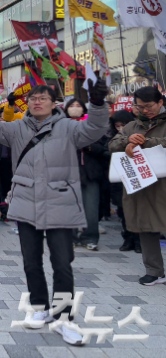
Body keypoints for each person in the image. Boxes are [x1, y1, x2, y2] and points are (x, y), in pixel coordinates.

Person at [0, 80, 109, 346]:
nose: (37, 101)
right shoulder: (16, 129)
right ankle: (39, 307)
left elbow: (94, 129)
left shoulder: (69, 127)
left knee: (62, 263)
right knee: (31, 261)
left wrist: (97, 104)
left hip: (61, 202)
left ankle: (64, 318)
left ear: (54, 102)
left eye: (43, 98)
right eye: (33, 98)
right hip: (26, 201)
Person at [109, 86, 166, 285]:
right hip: (141, 184)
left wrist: (145, 142)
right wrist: (127, 140)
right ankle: (154, 270)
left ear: (160, 102)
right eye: (140, 107)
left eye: (148, 106)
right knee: (145, 226)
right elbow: (113, 144)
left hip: (163, 184)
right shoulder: (132, 125)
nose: (144, 110)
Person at [64, 98, 105, 251]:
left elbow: (102, 148)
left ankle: (90, 237)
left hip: (90, 173)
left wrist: (87, 146)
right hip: (67, 173)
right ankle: (71, 237)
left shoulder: (92, 126)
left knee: (91, 209)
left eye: (78, 106)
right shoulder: (60, 126)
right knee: (70, 208)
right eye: (72, 106)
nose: (75, 108)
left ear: (84, 109)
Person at [107, 109, 139, 252]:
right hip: (119, 179)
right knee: (123, 210)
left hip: (137, 176)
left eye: (123, 125)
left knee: (138, 210)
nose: (120, 129)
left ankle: (139, 241)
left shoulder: (139, 134)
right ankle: (128, 238)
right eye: (118, 126)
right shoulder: (111, 137)